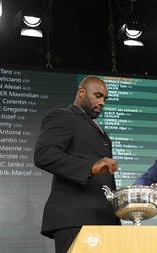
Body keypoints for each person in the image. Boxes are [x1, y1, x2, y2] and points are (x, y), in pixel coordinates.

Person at [34, 76, 120, 253]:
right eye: (97, 95)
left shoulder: (99, 129)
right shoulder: (62, 116)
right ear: (82, 92)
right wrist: (89, 167)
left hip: (105, 219)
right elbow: (44, 154)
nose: (102, 102)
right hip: (76, 219)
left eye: (105, 98)